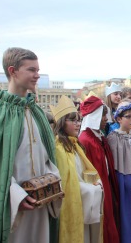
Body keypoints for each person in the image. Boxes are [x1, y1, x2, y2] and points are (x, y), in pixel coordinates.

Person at [0, 47, 62, 242]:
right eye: (32, 70)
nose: (37, 75)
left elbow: (47, 157)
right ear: (12, 71)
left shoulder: (36, 112)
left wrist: (51, 181)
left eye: (38, 70)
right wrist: (16, 196)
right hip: (12, 210)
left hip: (41, 204)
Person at [51, 95, 103, 243]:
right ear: (61, 122)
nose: (78, 124)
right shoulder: (59, 148)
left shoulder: (76, 144)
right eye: (73, 120)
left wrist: (96, 182)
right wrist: (91, 189)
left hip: (84, 201)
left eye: (79, 120)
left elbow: (84, 171)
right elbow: (66, 183)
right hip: (73, 204)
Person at [79, 96, 120, 243]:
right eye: (102, 115)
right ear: (94, 117)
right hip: (98, 187)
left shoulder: (99, 136)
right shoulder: (86, 139)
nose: (105, 119)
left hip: (106, 184)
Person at [107, 102, 131, 243]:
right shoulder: (113, 139)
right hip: (122, 185)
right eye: (128, 116)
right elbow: (114, 168)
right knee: (125, 218)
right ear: (119, 119)